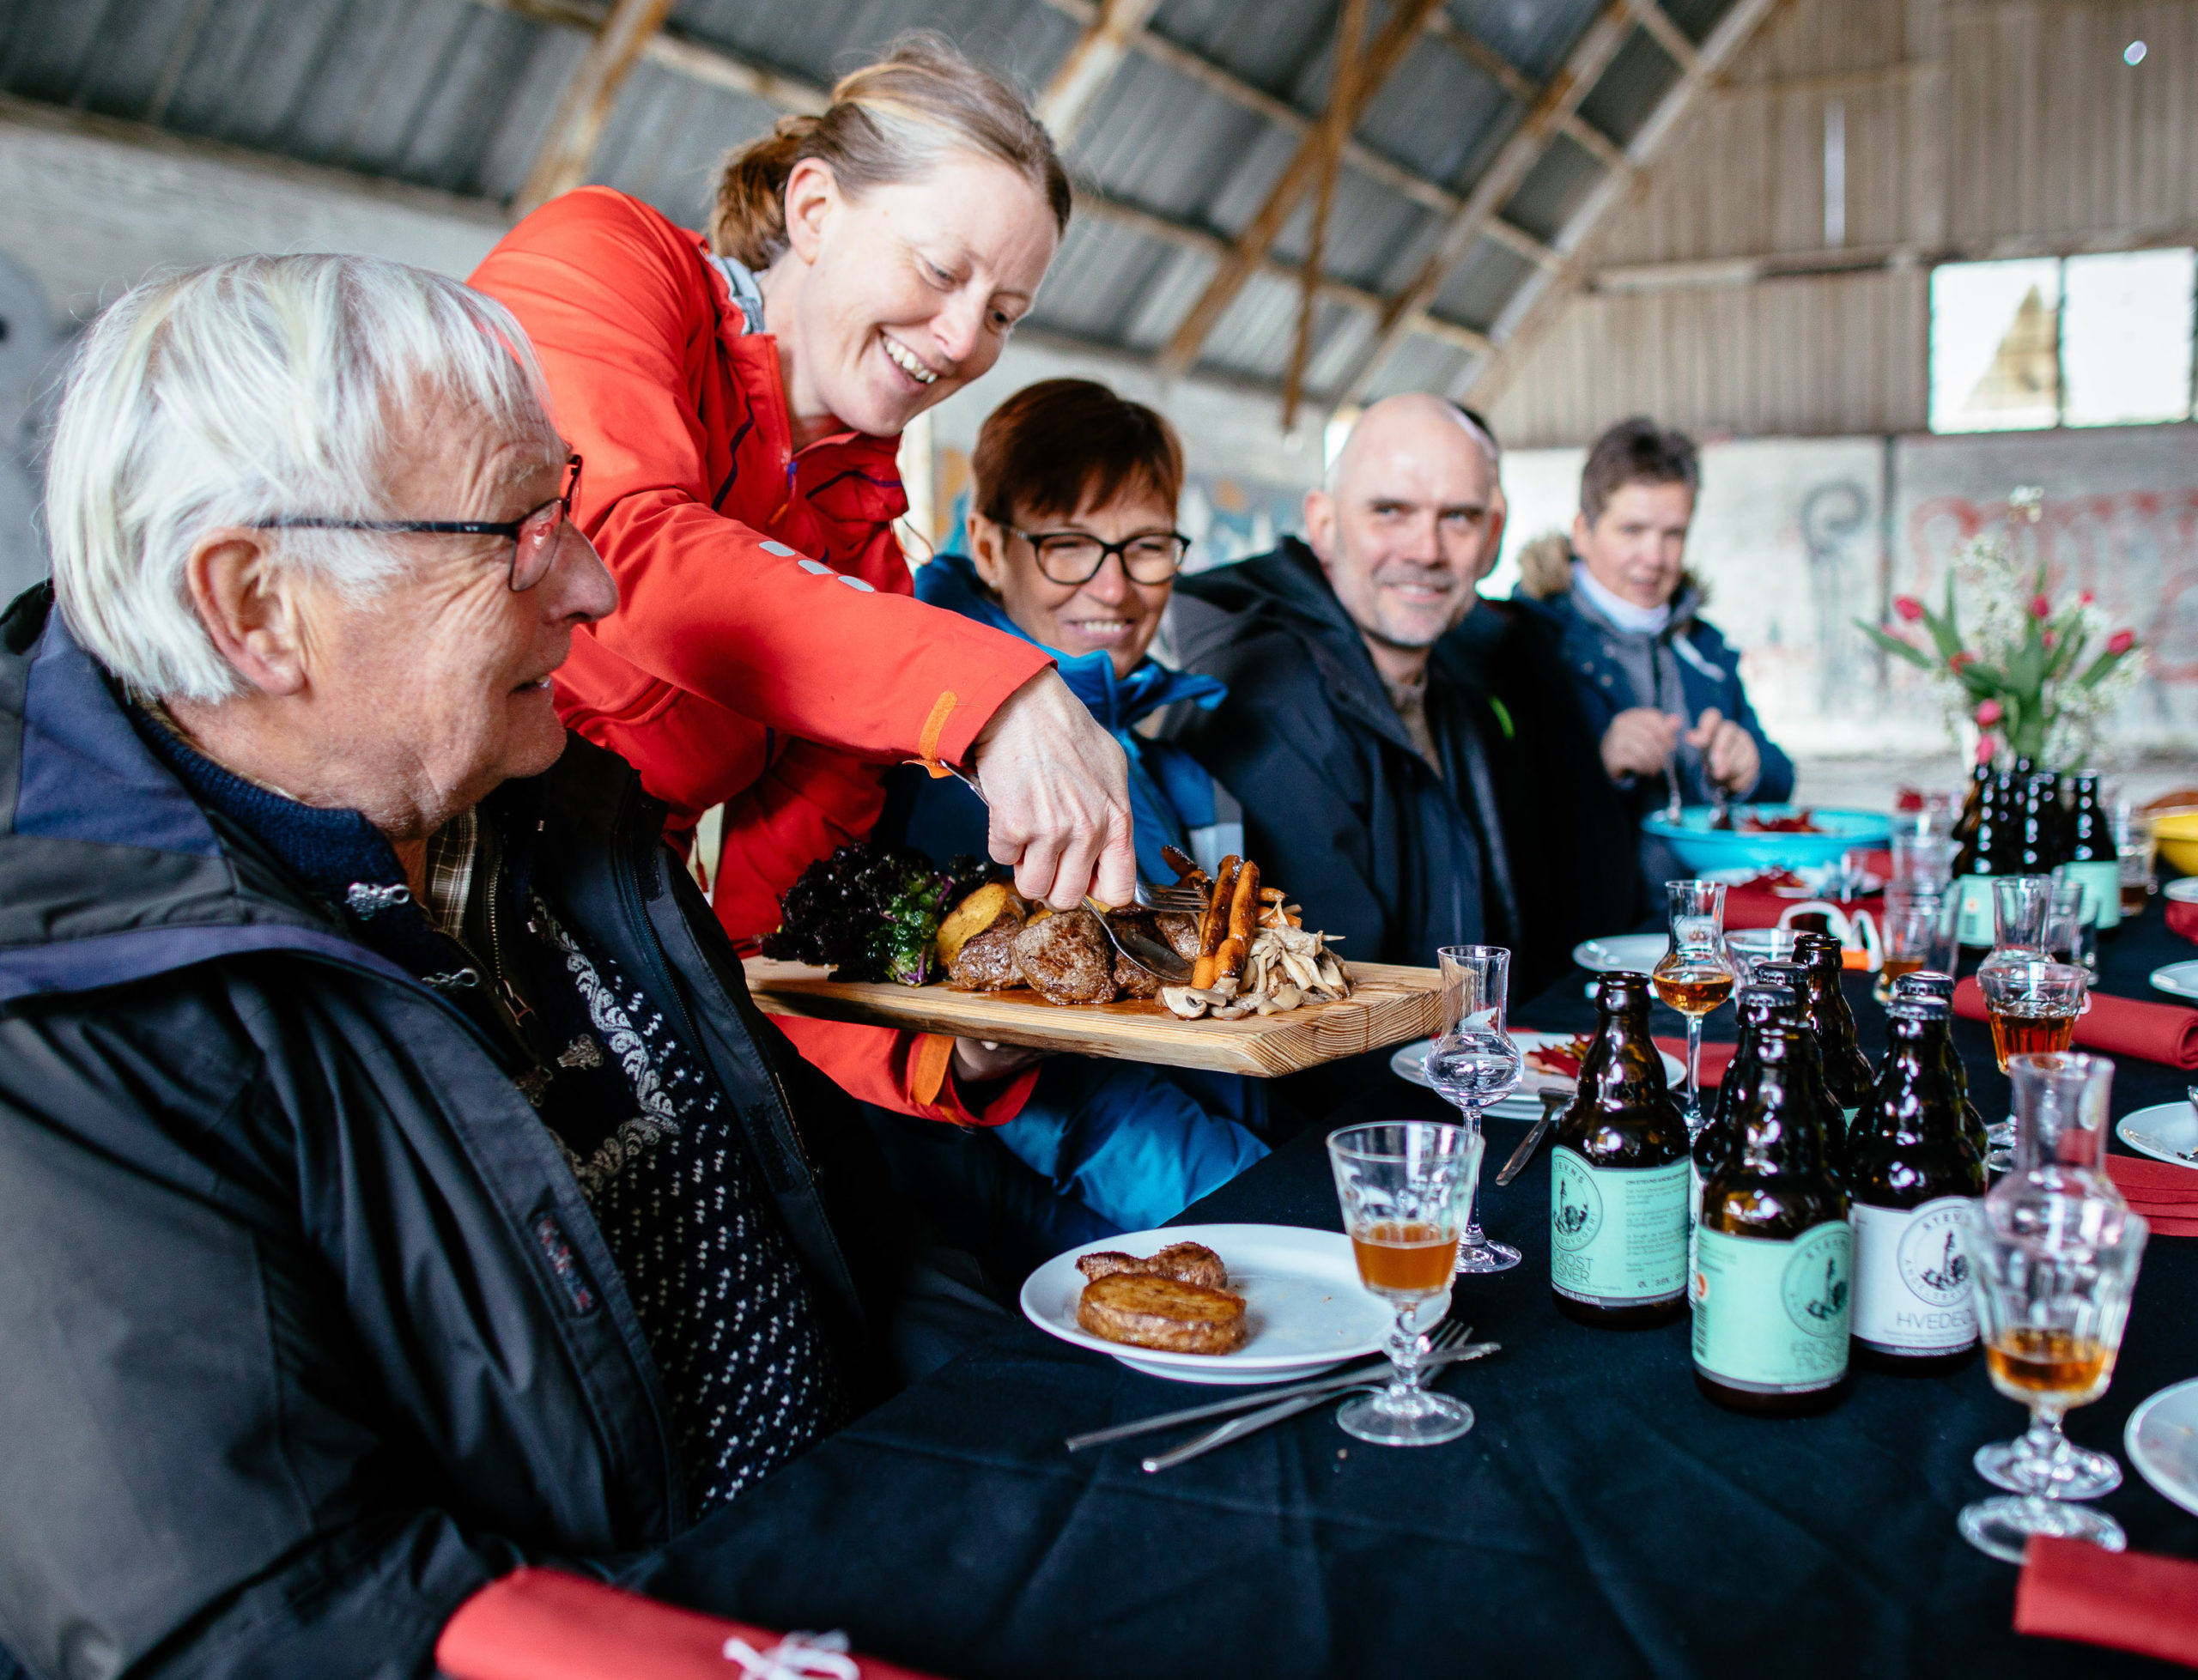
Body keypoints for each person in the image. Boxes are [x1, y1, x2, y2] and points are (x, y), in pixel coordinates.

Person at [0, 254, 967, 1677]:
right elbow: (274, 1609)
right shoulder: (65, 1006)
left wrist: (1059, 1391)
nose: (589, 581)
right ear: (257, 606)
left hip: (845, 1540)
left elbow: (825, 1215)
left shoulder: (554, 805)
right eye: (519, 530)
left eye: (565, 503)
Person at [468, 37, 1133, 1131]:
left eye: (1006, 311)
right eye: (939, 270)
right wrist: (996, 696)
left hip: (606, 1014)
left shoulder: (871, 565)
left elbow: (774, 932)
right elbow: (622, 541)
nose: (965, 338)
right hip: (401, 923)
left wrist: (965, 1048)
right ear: (815, 208)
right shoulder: (606, 261)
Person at [869, 379, 1266, 1270]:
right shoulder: (956, 770)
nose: (1115, 587)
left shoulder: (1172, 761)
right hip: (1083, 1265)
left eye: (1147, 546)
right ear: (987, 544)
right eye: (1068, 546)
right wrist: (1255, 1205)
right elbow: (1053, 1085)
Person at [1169, 394, 1636, 999]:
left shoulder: (1457, 679)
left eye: (1459, 517)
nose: (1426, 550)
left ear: (1493, 534)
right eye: (1390, 511)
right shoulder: (1271, 702)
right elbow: (1328, 1015)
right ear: (1324, 525)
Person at [1513, 415, 1794, 826]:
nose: (1655, 558)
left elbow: (1780, 779)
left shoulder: (1704, 647)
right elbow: (1499, 806)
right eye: (1632, 530)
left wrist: (1751, 768)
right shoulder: (1527, 641)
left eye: (1673, 535)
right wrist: (1599, 763)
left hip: (1703, 889)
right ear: (1583, 532)